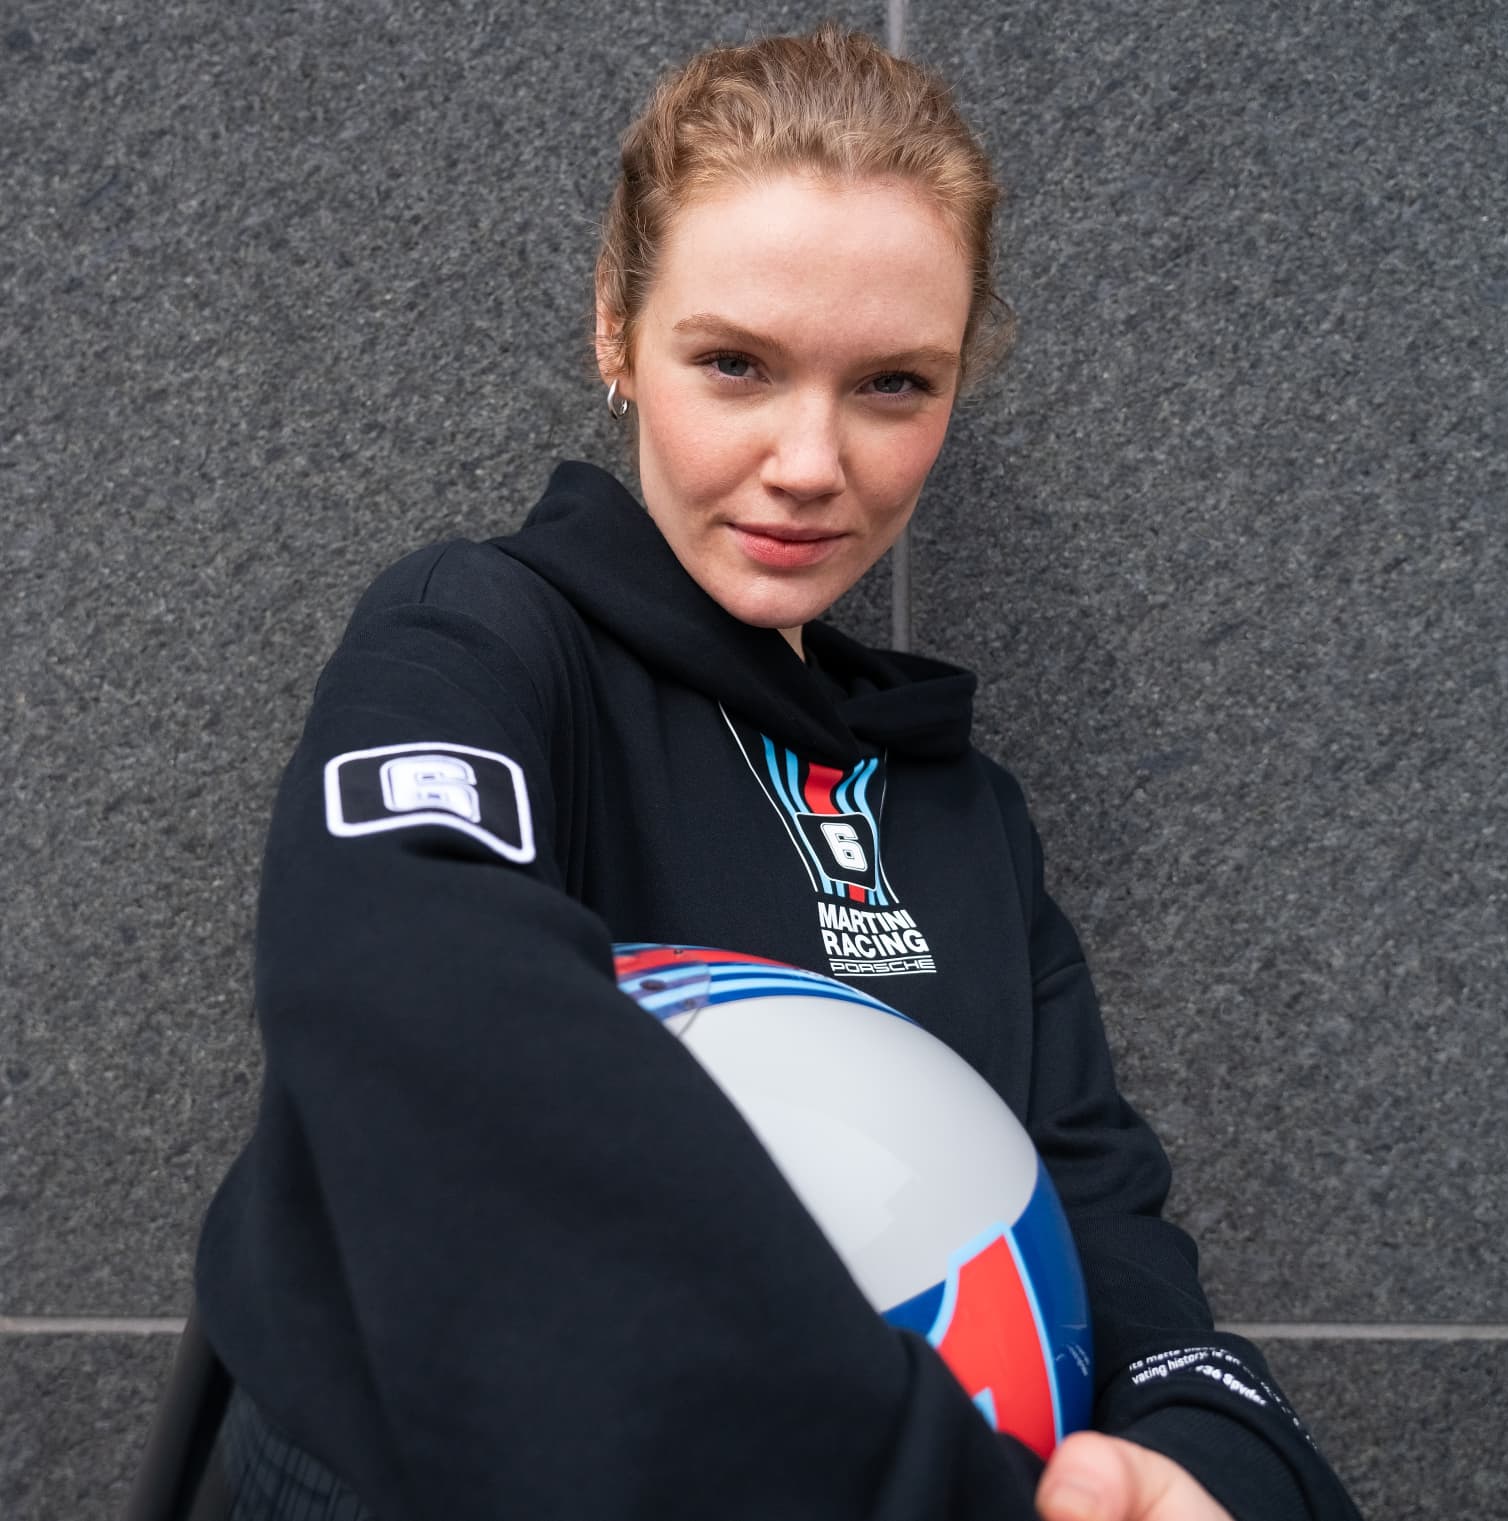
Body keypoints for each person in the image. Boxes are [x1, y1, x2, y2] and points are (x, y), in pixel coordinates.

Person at [190, 24, 1362, 1521]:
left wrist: (1219, 1463)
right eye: (735, 363)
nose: (811, 460)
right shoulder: (480, 640)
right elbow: (416, 1007)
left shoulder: (961, 812)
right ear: (615, 330)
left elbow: (1099, 1216)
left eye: (890, 384)